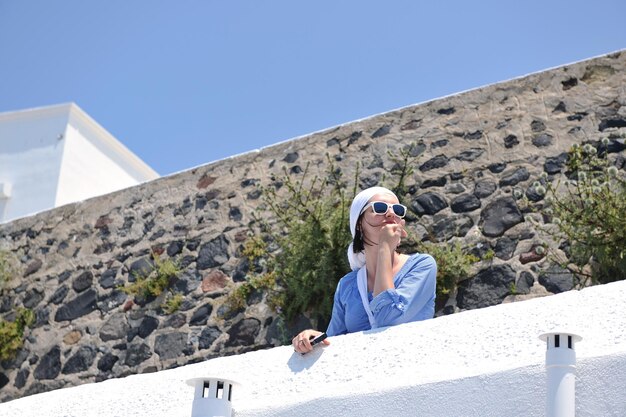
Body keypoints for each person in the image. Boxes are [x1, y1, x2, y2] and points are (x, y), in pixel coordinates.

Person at [292, 186, 437, 354]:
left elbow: (387, 319)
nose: (390, 214)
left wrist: (384, 248)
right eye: (380, 208)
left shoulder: (422, 265)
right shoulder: (347, 284)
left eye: (397, 210)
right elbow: (335, 340)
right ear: (359, 223)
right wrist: (311, 338)